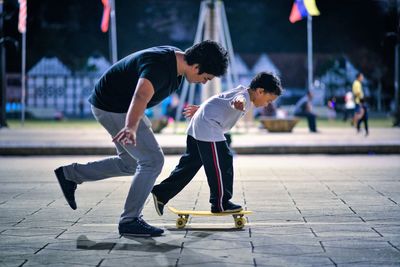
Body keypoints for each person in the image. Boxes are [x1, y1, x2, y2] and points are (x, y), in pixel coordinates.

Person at [53, 40, 229, 237]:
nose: (204, 82)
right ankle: (130, 220)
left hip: (117, 105)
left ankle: (70, 175)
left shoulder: (175, 62)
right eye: (206, 77)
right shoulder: (160, 67)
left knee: (130, 163)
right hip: (114, 107)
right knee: (152, 161)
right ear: (196, 66)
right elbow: (140, 96)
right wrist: (130, 126)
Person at [151, 72, 282, 215]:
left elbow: (219, 99)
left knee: (189, 165)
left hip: (201, 125)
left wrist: (200, 108)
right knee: (223, 161)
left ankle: (161, 193)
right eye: (268, 100)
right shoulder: (243, 97)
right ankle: (221, 203)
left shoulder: (241, 90)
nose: (266, 105)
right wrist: (239, 103)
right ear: (260, 91)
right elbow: (235, 101)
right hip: (209, 128)